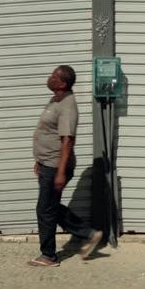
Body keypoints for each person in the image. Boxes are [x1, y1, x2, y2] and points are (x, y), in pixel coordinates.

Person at [28, 65, 103, 267]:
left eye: (54, 76)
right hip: (48, 163)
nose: (49, 78)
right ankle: (89, 234)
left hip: (56, 166)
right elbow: (48, 132)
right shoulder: (56, 99)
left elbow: (67, 140)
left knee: (45, 209)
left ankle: (49, 256)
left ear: (62, 83)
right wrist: (39, 160)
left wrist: (60, 172)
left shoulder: (68, 106)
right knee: (49, 207)